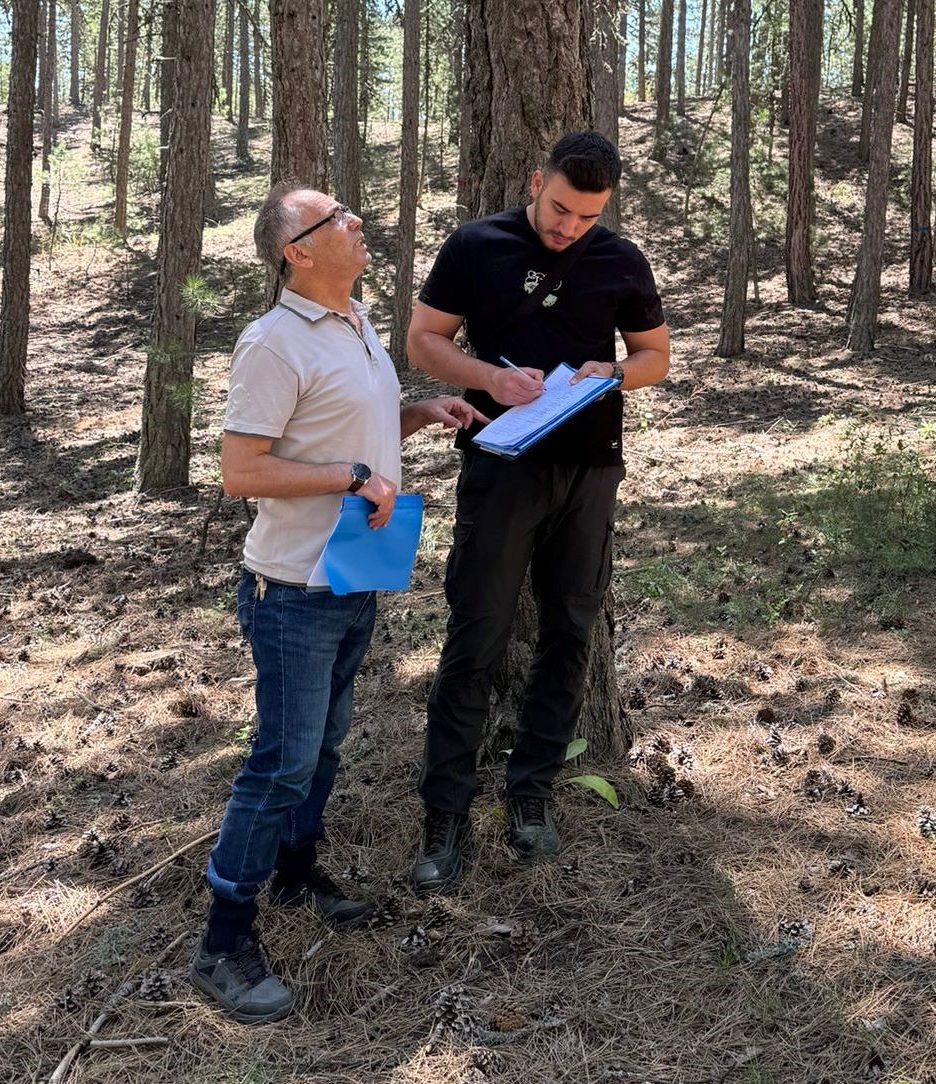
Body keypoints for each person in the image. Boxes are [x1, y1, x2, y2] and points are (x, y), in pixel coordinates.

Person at [193, 182, 484, 1024]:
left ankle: (295, 874)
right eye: (339, 222)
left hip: (352, 578)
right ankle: (222, 941)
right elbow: (241, 470)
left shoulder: (356, 325)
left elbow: (343, 429)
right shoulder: (272, 342)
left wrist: (419, 414)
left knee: (322, 750)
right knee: (280, 761)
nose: (360, 227)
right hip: (291, 589)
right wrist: (354, 477)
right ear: (298, 251)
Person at [406, 131, 669, 888]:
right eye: (559, 210)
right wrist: (489, 376)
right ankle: (445, 816)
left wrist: (613, 373)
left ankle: (532, 797)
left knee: (570, 632)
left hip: (589, 470)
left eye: (586, 218)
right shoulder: (476, 244)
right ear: (535, 181)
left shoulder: (620, 259)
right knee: (476, 636)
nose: (567, 228)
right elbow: (425, 340)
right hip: (500, 467)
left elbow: (657, 356)